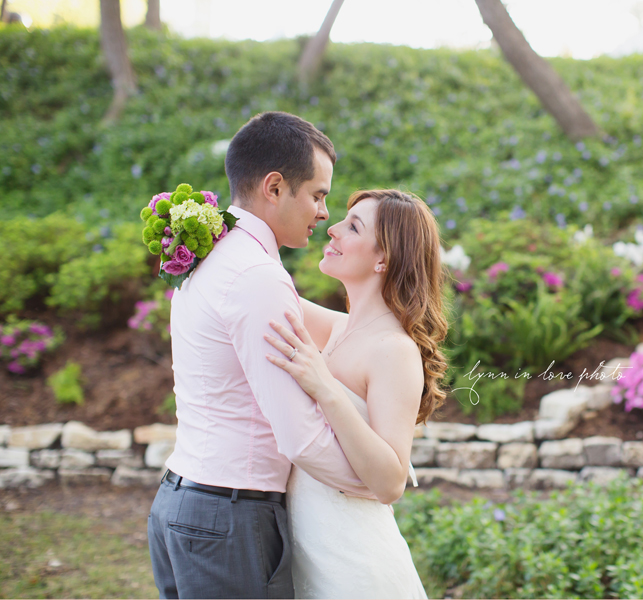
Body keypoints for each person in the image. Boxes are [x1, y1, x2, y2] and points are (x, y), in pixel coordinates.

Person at [147, 111, 378, 599]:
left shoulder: (218, 253)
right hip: (228, 519)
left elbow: (344, 329)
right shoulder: (256, 276)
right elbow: (300, 438)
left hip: (184, 502)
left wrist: (402, 342)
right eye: (318, 195)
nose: (323, 213)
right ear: (274, 187)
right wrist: (373, 485)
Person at [264, 189, 449, 599]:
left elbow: (390, 481)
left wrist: (325, 387)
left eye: (353, 226)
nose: (332, 228)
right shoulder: (338, 328)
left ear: (384, 258)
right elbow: (263, 291)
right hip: (309, 550)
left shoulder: (394, 349)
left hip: (353, 564)